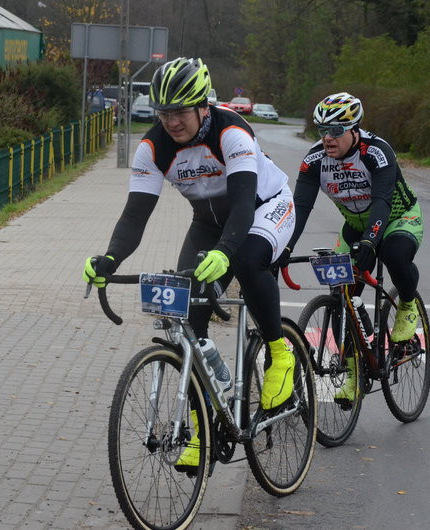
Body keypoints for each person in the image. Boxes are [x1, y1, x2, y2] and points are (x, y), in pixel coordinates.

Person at [82, 57, 297, 469]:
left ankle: (279, 351)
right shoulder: (153, 147)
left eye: (180, 111)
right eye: (164, 112)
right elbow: (135, 215)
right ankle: (203, 429)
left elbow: (242, 205)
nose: (171, 122)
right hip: (208, 223)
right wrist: (109, 258)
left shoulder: (232, 131)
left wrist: (226, 252)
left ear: (203, 106)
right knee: (188, 321)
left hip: (263, 207)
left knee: (250, 259)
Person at [276, 92, 423, 403]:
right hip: (355, 227)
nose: (328, 138)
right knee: (343, 294)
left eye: (336, 131)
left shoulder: (377, 153)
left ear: (355, 129)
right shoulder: (315, 160)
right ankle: (355, 373)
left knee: (394, 255)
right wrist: (284, 249)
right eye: (322, 131)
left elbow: (382, 202)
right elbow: (300, 208)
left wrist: (372, 240)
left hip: (398, 218)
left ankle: (407, 305)